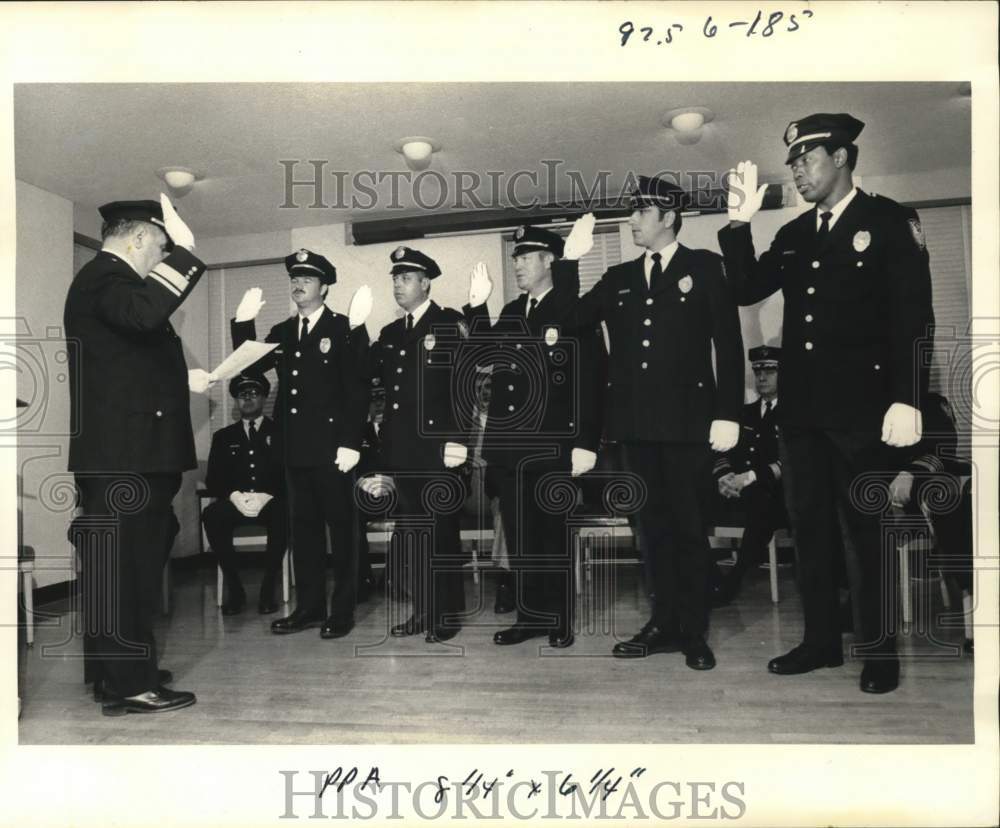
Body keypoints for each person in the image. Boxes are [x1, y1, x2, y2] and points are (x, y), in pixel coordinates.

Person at [719, 112, 934, 693]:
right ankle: (820, 643)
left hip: (865, 410)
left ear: (841, 158)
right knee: (807, 530)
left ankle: (880, 652)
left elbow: (914, 315)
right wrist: (738, 226)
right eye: (791, 163)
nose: (796, 172)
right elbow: (744, 289)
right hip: (803, 413)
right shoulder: (793, 235)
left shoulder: (889, 220)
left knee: (866, 535)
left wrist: (907, 398)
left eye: (806, 160)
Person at [561, 177, 745, 670]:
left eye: (640, 212)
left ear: (668, 217)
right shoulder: (619, 276)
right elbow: (572, 318)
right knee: (650, 531)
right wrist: (567, 263)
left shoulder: (704, 267)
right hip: (635, 428)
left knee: (688, 530)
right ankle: (662, 623)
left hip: (688, 426)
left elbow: (728, 344)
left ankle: (693, 632)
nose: (631, 220)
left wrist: (730, 412)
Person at [64, 195, 206, 715]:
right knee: (126, 573)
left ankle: (119, 674)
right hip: (127, 459)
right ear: (140, 238)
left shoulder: (103, 282)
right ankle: (130, 684)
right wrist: (186, 255)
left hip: (127, 455)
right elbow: (146, 313)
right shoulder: (105, 277)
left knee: (120, 571)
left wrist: (179, 380)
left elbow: (130, 354)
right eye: (161, 248)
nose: (161, 259)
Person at [465, 224, 602, 649]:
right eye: (516, 257)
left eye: (527, 256)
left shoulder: (571, 309)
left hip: (553, 447)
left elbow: (592, 381)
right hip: (510, 450)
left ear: (550, 261)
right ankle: (530, 617)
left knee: (552, 537)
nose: (518, 264)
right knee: (522, 540)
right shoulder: (510, 312)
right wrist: (476, 306)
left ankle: (559, 619)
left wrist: (587, 442)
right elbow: (480, 356)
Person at [231, 251, 372, 639]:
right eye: (294, 277)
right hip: (295, 450)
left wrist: (350, 442)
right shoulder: (282, 331)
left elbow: (358, 386)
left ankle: (342, 610)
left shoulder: (344, 327)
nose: (299, 284)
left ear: (324, 287)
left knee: (342, 533)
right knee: (305, 533)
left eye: (308, 279)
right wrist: (243, 325)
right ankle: (310, 608)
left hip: (333, 450)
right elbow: (251, 366)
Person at [360, 246, 471, 643]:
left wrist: (459, 439)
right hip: (401, 451)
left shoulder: (449, 323)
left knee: (440, 532)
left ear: (425, 283)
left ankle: (447, 614)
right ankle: (423, 610)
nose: (397, 285)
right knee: (412, 534)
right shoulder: (390, 333)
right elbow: (362, 372)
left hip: (439, 449)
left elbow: (463, 385)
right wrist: (355, 329)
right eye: (394, 278)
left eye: (406, 278)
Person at [888, 393, 973, 653]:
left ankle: (974, 604)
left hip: (915, 488)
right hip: (878, 490)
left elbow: (943, 450)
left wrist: (911, 472)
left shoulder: (929, 403)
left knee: (959, 500)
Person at [202, 373, 287, 615]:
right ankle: (235, 589)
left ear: (263, 397)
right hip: (236, 502)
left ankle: (268, 590)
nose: (247, 398)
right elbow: (213, 479)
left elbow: (289, 476)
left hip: (270, 502)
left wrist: (268, 495)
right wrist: (234, 495)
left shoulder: (280, 432)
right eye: (242, 395)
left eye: (253, 393)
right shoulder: (223, 437)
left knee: (283, 512)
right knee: (212, 514)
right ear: (236, 401)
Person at [710, 345, 787, 606]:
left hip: (776, 495)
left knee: (761, 502)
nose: (762, 377)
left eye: (770, 371)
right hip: (736, 488)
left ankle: (733, 580)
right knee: (690, 501)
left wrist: (748, 478)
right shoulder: (744, 413)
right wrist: (725, 476)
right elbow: (722, 452)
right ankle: (709, 576)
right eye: (757, 371)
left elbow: (788, 464)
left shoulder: (795, 414)